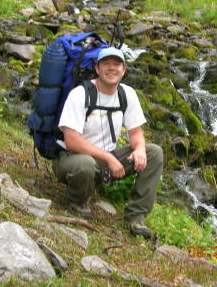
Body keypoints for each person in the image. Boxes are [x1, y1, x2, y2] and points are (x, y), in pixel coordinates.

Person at [53, 47, 163, 238]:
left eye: (117, 64)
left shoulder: (127, 94)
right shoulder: (80, 94)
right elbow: (71, 141)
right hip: (73, 159)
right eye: (106, 64)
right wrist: (108, 158)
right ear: (97, 68)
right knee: (85, 164)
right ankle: (78, 202)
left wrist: (140, 149)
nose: (112, 68)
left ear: (124, 70)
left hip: (106, 160)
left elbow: (135, 131)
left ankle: (136, 218)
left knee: (154, 152)